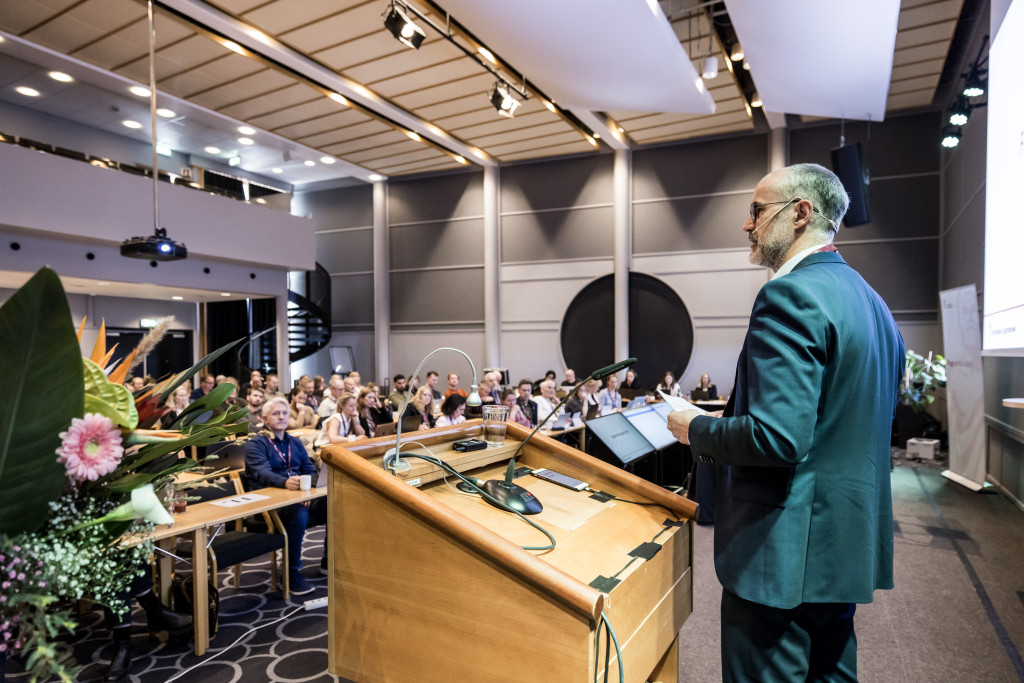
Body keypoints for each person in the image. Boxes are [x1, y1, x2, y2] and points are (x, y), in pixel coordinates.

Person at [666, 163, 905, 682]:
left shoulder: (790, 295)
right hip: (844, 542)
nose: (746, 225)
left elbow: (776, 437)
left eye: (756, 211)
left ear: (801, 213)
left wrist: (693, 427)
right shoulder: (876, 306)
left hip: (784, 548)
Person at [244, 397, 325, 595]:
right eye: (276, 413)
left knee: (332, 504)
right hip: (269, 503)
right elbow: (262, 473)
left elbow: (310, 470)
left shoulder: (295, 443)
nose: (282, 417)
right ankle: (291, 575)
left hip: (298, 497)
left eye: (285, 413)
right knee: (298, 514)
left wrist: (305, 489)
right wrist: (286, 483)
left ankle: (329, 561)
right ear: (264, 418)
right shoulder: (256, 444)